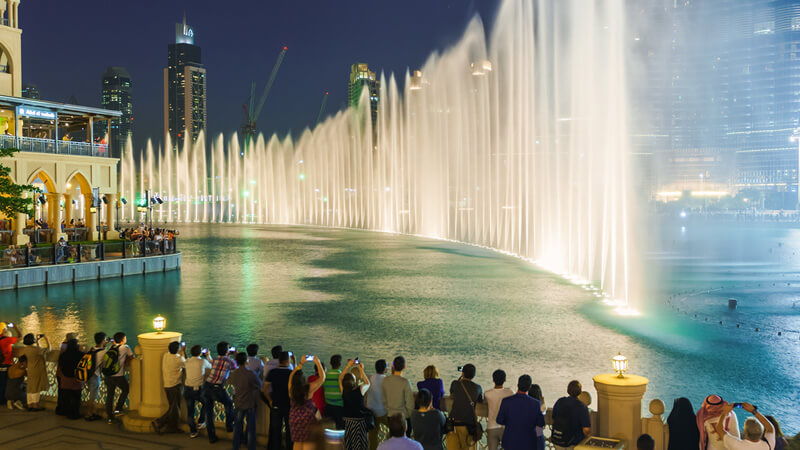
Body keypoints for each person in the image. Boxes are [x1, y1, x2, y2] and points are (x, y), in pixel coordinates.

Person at [496, 374, 545, 450]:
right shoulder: (535, 403)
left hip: (510, 442)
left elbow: (499, 420)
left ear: (517, 385)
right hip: (528, 443)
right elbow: (540, 424)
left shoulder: (506, 401)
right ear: (529, 387)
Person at [288, 355, 326, 450]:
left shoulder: (291, 389)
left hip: (294, 418)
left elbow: (291, 377)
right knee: (307, 442)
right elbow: (322, 378)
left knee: (297, 442)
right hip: (307, 418)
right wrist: (317, 362)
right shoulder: (308, 388)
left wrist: (300, 364)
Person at [228, 352, 263, 450]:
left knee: (237, 427)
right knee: (251, 429)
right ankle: (251, 447)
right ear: (246, 361)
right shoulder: (250, 373)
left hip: (238, 403)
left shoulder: (235, 373)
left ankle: (236, 446)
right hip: (250, 403)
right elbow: (259, 385)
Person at [204, 341, 237, 443]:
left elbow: (210, 361)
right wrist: (235, 355)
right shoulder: (230, 361)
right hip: (217, 388)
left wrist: (208, 355)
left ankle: (211, 437)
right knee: (229, 403)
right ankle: (229, 425)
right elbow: (236, 367)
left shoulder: (215, 359)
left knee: (208, 412)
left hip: (207, 386)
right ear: (227, 351)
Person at [447, 363, 483, 450]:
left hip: (454, 426)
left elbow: (452, 393)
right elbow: (480, 400)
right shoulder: (478, 388)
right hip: (468, 427)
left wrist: (461, 378)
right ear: (473, 375)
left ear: (462, 373)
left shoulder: (455, 384)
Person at [152, 341, 186, 434]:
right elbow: (186, 364)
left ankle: (171, 427)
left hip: (167, 385)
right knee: (174, 408)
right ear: (178, 349)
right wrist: (184, 352)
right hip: (175, 385)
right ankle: (158, 422)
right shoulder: (179, 359)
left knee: (173, 407)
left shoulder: (166, 355)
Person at [265, 351, 294, 450]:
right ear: (288, 360)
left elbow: (264, 389)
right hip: (289, 405)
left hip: (275, 404)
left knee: (275, 431)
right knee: (289, 430)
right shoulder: (291, 373)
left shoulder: (273, 372)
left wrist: (270, 400)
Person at [551, 380, 591, 450]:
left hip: (558, 440)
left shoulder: (560, 401)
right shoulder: (582, 407)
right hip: (573, 443)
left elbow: (553, 418)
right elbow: (586, 430)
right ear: (580, 392)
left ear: (568, 390)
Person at [104, 331, 134, 423]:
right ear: (123, 340)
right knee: (126, 389)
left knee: (110, 395)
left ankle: (109, 416)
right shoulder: (125, 347)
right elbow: (132, 357)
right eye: (125, 338)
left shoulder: (112, 347)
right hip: (118, 375)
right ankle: (118, 409)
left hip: (108, 375)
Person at [341, 359, 371, 450]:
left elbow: (340, 377)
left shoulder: (344, 390)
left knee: (349, 444)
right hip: (359, 422)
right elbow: (368, 383)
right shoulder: (360, 390)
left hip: (347, 422)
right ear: (354, 381)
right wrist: (361, 369)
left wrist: (347, 366)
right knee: (359, 444)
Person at [382, 356, 415, 437]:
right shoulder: (405, 382)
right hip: (403, 417)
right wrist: (407, 415)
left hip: (390, 416)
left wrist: (388, 411)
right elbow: (410, 404)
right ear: (404, 367)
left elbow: (383, 400)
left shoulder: (385, 381)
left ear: (393, 366)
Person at [184, 345, 212, 439]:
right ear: (201, 353)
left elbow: (186, 359)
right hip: (198, 389)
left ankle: (193, 431)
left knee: (190, 411)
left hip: (187, 389)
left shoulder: (187, 361)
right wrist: (208, 355)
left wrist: (184, 352)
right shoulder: (202, 361)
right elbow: (211, 366)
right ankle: (201, 421)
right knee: (207, 403)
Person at [19, 332, 50, 411]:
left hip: (30, 369)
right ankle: (35, 404)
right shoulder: (36, 350)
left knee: (30, 387)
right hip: (37, 370)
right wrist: (46, 339)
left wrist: (37, 342)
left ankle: (29, 404)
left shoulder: (25, 349)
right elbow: (48, 349)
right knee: (36, 386)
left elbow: (38, 349)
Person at [484, 369, 514, 450]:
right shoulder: (510, 392)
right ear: (505, 380)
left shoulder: (487, 394)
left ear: (493, 380)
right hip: (506, 428)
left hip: (491, 427)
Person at [56, 338, 85, 420]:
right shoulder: (80, 354)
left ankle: (66, 412)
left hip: (65, 378)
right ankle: (74, 413)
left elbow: (60, 364)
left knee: (67, 396)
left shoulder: (63, 355)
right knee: (76, 397)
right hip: (76, 378)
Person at [85, 332, 108, 421]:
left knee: (91, 396)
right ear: (103, 340)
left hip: (88, 375)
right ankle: (89, 414)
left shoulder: (92, 349)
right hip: (95, 375)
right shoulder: (103, 352)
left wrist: (103, 346)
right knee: (92, 397)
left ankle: (90, 413)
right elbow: (105, 362)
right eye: (105, 339)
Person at [366, 359, 388, 450]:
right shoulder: (387, 380)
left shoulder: (369, 377)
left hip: (370, 412)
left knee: (372, 437)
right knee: (395, 429)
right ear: (385, 369)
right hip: (383, 412)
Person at [0, 321, 21, 405]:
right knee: (7, 384)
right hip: (7, 364)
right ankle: (5, 400)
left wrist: (5, 327)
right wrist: (15, 327)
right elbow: (20, 337)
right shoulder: (7, 340)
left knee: (1, 382)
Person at [324, 354, 345, 429]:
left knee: (329, 429)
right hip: (339, 407)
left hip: (328, 406)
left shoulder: (325, 375)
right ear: (340, 364)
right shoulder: (342, 376)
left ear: (330, 363)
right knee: (340, 429)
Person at [527, 384, 547, 450]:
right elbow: (544, 409)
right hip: (539, 432)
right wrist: (543, 400)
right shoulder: (541, 406)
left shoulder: (526, 404)